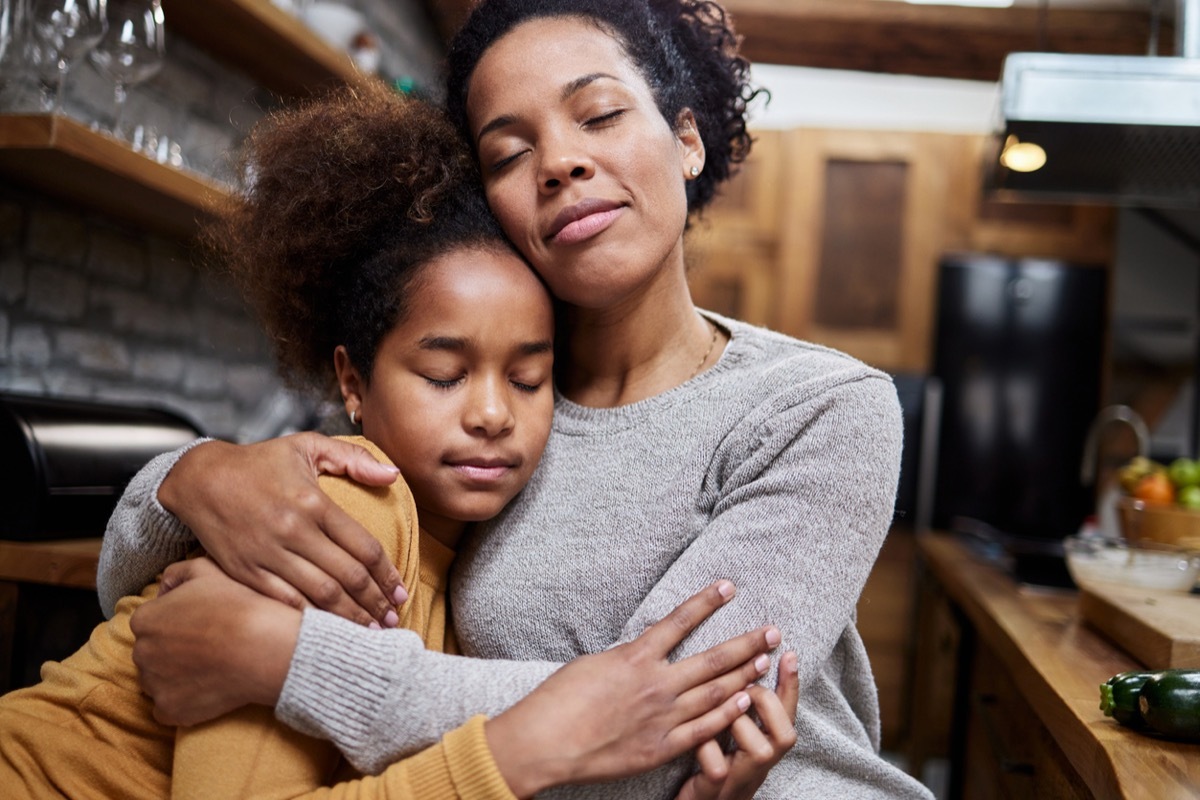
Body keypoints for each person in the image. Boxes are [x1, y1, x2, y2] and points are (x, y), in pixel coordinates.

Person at [98, 0, 935, 797]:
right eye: (507, 153)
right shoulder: (484, 408)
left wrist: (291, 662)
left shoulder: (821, 408)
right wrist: (188, 481)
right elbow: (154, 577)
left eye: (599, 115)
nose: (561, 162)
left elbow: (662, 734)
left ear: (687, 140)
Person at [0, 85, 796, 799]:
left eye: (528, 381)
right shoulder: (340, 520)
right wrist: (514, 755)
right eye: (444, 375)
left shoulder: (467, 564)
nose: (492, 414)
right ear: (352, 383)